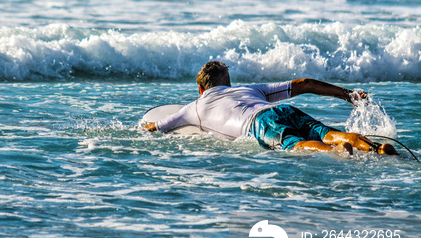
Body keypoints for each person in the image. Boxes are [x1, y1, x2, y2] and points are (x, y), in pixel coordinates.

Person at [143, 61, 397, 155]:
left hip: (259, 124)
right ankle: (375, 147)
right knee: (326, 131)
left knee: (296, 145)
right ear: (228, 83)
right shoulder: (252, 89)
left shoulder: (194, 108)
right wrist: (347, 95)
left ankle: (337, 150)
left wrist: (146, 127)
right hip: (286, 111)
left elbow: (158, 126)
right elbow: (304, 83)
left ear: (201, 89)